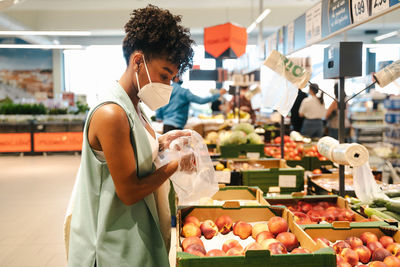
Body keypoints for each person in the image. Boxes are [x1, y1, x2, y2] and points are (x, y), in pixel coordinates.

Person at [65, 5, 194, 266]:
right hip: (111, 245)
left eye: (172, 78)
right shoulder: (112, 113)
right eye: (164, 75)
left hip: (133, 232)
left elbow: (131, 151)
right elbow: (129, 191)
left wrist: (160, 143)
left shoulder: (134, 106)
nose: (167, 86)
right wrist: (175, 164)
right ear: (138, 61)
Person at [156, 75, 226, 133]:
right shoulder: (184, 92)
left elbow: (158, 105)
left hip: (166, 126)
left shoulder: (165, 91)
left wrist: (159, 117)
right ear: (176, 78)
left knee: (167, 149)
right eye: (180, 77)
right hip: (177, 127)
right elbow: (201, 101)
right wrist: (219, 94)